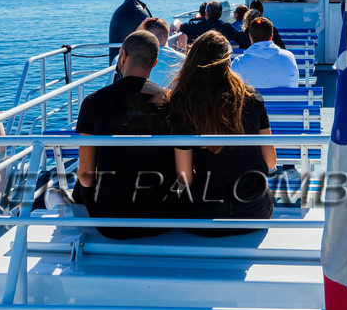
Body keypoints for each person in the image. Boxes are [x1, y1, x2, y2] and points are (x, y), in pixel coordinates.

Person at [74, 30, 179, 238]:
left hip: (112, 222)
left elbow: (86, 177)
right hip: (163, 217)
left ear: (122, 56)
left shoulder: (94, 102)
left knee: (80, 184)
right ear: (155, 63)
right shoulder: (172, 102)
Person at [167, 32, 276, 233]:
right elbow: (270, 162)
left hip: (205, 216)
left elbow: (184, 177)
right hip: (254, 213)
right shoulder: (252, 98)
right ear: (228, 60)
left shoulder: (182, 103)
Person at [232, 16, 300, 89]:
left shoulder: (238, 62)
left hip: (252, 100)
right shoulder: (288, 57)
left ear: (250, 36)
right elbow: (294, 85)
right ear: (271, 36)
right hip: (282, 100)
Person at [179, 0, 247, 48]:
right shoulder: (227, 28)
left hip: (199, 63)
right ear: (220, 14)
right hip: (219, 61)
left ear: (206, 13)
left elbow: (182, 27)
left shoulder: (193, 26)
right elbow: (243, 38)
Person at [140, 16, 184, 87]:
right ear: (167, 35)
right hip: (173, 97)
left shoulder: (135, 59)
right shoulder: (184, 59)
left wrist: (138, 31)